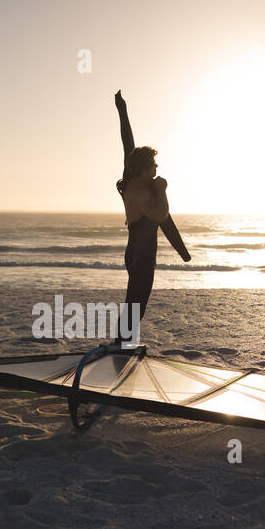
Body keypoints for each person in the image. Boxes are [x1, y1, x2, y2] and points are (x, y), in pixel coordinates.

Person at [114, 91, 172, 346]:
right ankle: (122, 345)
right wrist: (162, 189)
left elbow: (128, 143)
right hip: (141, 252)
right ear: (145, 167)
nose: (157, 168)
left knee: (134, 301)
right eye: (154, 165)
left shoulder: (130, 180)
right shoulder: (140, 191)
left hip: (136, 249)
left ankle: (124, 342)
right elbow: (161, 215)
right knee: (137, 301)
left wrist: (122, 111)